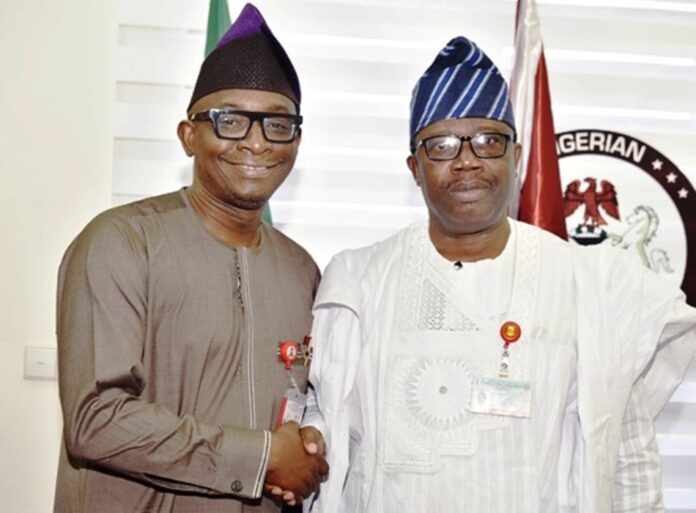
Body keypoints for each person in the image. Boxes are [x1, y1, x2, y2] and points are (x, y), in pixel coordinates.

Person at [303, 36, 696, 513]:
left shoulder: (591, 284)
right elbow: (326, 434)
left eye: (490, 141)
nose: (467, 160)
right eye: (442, 145)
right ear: (414, 166)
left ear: (516, 156)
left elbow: (629, 454)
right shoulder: (358, 282)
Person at [54, 4, 327, 512]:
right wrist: (263, 457)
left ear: (297, 141)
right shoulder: (123, 242)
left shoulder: (303, 271)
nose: (255, 142)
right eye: (230, 121)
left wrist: (308, 448)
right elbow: (97, 419)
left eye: (277, 125)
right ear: (188, 135)